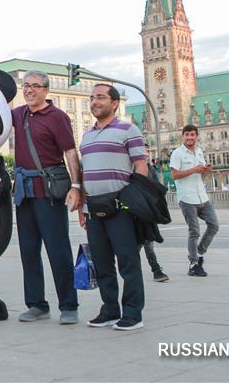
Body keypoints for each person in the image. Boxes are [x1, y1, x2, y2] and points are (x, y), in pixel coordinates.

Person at [11, 71, 81, 325]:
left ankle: (69, 305)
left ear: (46, 90)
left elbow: (70, 152)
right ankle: (37, 304)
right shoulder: (17, 114)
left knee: (58, 250)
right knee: (29, 252)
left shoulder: (57, 117)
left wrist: (76, 186)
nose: (29, 90)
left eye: (35, 86)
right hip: (24, 194)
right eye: (26, 86)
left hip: (49, 193)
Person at [78, 84, 148, 331]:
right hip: (94, 208)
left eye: (100, 97)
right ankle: (109, 310)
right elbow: (86, 171)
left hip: (121, 207)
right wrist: (82, 208)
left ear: (114, 103)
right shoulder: (86, 136)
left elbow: (140, 165)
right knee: (102, 262)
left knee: (128, 261)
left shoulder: (128, 129)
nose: (94, 101)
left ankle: (133, 313)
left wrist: (135, 200)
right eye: (92, 98)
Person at [170, 124, 219, 278]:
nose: (190, 137)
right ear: (182, 136)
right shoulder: (177, 153)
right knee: (194, 231)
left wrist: (205, 171)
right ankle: (193, 264)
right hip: (187, 198)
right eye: (187, 135)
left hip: (202, 196)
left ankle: (199, 253)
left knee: (214, 225)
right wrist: (194, 170)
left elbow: (200, 174)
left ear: (196, 136)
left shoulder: (199, 152)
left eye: (192, 135)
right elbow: (174, 175)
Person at [142, 150, 169, 283]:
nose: (146, 152)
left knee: (148, 242)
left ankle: (156, 270)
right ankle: (155, 270)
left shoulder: (150, 169)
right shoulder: (130, 166)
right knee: (140, 243)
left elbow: (157, 186)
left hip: (149, 210)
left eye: (147, 150)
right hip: (136, 209)